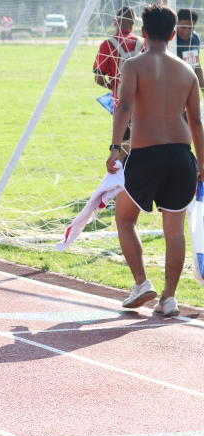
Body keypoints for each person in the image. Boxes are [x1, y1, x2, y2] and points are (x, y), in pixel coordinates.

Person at [106, 3, 204, 316]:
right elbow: (197, 122)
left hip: (146, 154)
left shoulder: (133, 65)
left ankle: (141, 283)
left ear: (144, 33)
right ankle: (169, 298)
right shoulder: (187, 71)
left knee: (124, 218)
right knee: (174, 231)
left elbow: (123, 108)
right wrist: (202, 164)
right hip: (181, 155)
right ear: (174, 33)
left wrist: (113, 148)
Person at [94, 6, 143, 156]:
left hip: (121, 104)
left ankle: (123, 178)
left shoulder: (107, 44)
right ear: (133, 24)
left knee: (121, 150)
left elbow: (99, 78)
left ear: (115, 22)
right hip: (144, 105)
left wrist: (114, 86)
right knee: (142, 147)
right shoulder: (143, 43)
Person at [175, 8, 204, 95]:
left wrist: (203, 88)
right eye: (183, 27)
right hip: (172, 87)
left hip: (189, 86)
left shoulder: (195, 38)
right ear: (176, 24)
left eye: (191, 28)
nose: (187, 31)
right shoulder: (170, 39)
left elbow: (196, 65)